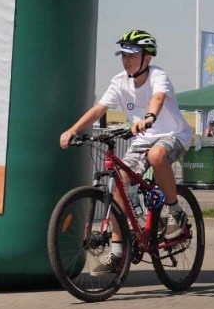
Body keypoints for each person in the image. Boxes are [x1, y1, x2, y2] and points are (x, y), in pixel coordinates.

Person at [59, 29, 193, 274]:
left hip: (173, 135)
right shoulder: (119, 81)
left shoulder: (157, 76)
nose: (126, 59)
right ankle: (119, 251)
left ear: (148, 57)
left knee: (156, 156)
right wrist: (73, 129)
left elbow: (158, 98)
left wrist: (149, 117)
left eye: (132, 54)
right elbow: (99, 109)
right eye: (123, 54)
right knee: (118, 180)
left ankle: (175, 212)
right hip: (142, 138)